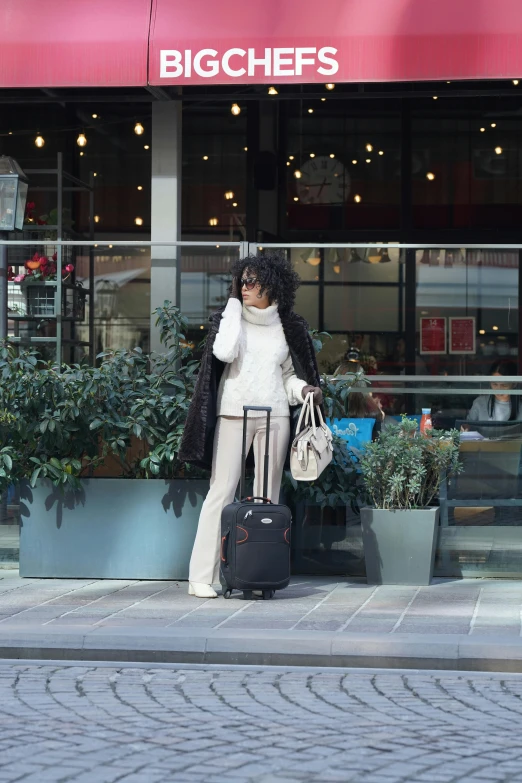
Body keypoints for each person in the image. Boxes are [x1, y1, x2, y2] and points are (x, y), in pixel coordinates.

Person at [179, 252, 323, 598]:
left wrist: (304, 389)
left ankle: (260, 573)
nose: (244, 287)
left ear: (271, 285)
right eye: (242, 281)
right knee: (221, 491)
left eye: (252, 282)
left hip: (276, 417)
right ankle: (201, 576)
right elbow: (224, 353)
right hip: (233, 414)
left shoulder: (288, 327)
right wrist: (232, 308)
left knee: (268, 497)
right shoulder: (230, 320)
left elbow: (288, 377)